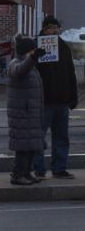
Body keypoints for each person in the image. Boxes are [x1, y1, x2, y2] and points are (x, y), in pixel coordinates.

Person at [33, 15, 78, 179]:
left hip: (62, 100)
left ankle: (59, 168)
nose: (55, 30)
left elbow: (70, 73)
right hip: (43, 100)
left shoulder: (63, 47)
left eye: (57, 28)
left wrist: (73, 97)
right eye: (52, 27)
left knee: (61, 137)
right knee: (39, 136)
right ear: (44, 29)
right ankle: (38, 167)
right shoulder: (36, 46)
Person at [7, 36, 46, 185]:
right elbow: (20, 71)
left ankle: (26, 173)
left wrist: (33, 59)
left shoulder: (31, 65)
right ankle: (17, 175)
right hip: (22, 113)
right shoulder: (15, 63)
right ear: (26, 51)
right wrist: (32, 58)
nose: (34, 51)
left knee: (30, 146)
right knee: (23, 147)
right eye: (32, 49)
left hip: (30, 113)